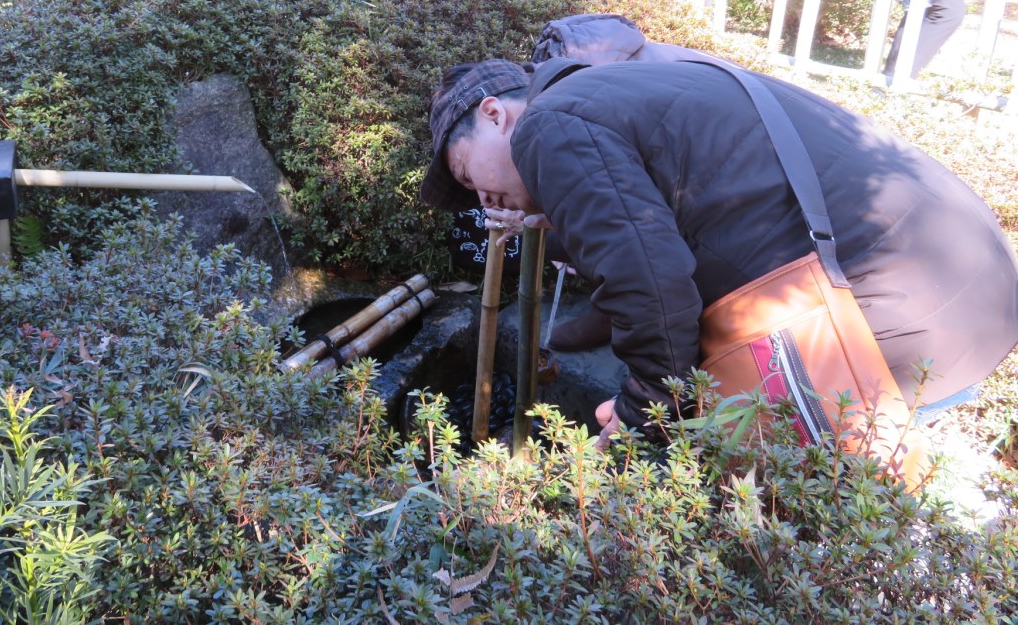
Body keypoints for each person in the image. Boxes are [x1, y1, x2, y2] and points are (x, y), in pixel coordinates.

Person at [420, 57, 1018, 447]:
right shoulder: (611, 90)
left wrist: (645, 410)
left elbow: (649, 283)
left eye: (466, 174)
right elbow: (658, 230)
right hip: (963, 283)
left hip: (885, 314)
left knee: (809, 527)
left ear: (494, 115)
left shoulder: (547, 126)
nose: (481, 198)